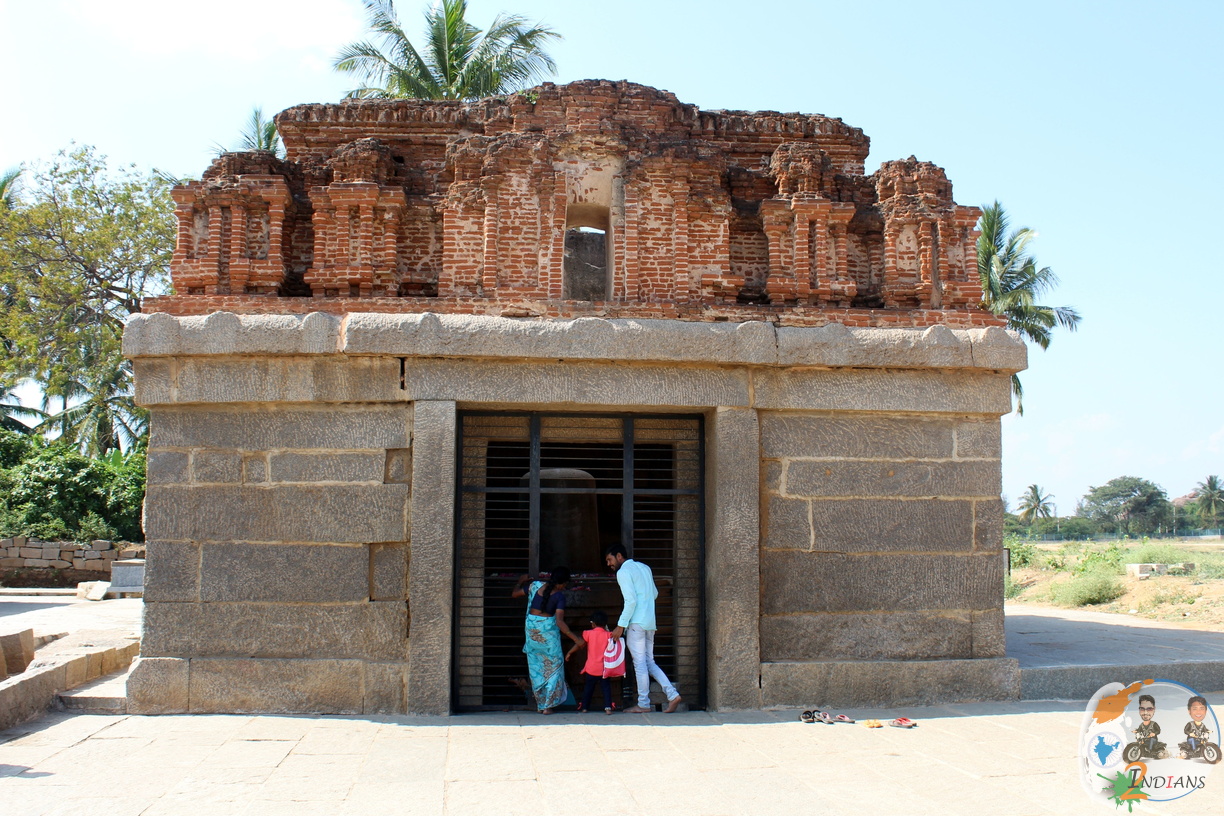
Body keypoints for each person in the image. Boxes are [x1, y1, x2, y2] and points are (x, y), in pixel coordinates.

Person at [605, 543, 682, 714]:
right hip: (649, 622)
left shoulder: (623, 572)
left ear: (619, 556)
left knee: (640, 664)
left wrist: (620, 625)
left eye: (610, 560)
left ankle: (643, 704)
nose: (609, 564)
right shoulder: (645, 568)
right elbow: (655, 594)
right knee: (649, 662)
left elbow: (630, 601)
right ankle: (672, 694)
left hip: (636, 624)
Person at [512, 566, 582, 714]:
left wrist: (520, 582)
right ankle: (548, 706)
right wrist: (577, 639)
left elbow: (515, 594)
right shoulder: (559, 596)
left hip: (532, 634)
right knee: (555, 668)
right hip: (548, 636)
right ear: (563, 583)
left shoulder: (535, 586)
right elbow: (560, 622)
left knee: (536, 668)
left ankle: (541, 704)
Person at [566, 610, 618, 714]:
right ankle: (608, 708)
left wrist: (570, 652)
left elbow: (580, 644)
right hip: (604, 669)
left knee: (588, 688)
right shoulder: (609, 635)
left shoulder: (588, 633)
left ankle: (585, 707)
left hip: (591, 668)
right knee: (606, 688)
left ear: (593, 624)